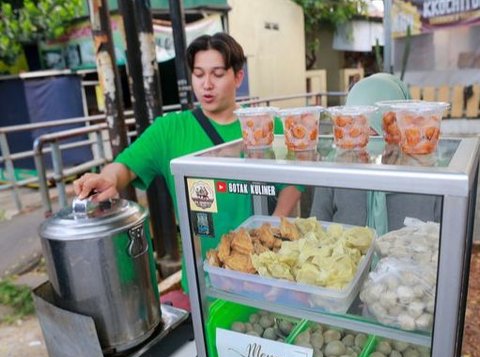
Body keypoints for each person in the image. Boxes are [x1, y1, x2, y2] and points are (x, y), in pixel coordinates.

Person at [73, 32, 301, 292]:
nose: (206, 85)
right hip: (203, 280)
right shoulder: (170, 130)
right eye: (199, 74)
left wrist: (273, 223)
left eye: (217, 74)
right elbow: (124, 166)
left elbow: (295, 179)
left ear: (238, 77)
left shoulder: (265, 126)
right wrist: (108, 178)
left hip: (265, 277)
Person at [310, 73, 441, 235]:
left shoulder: (426, 175)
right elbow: (316, 230)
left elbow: (442, 242)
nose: (365, 136)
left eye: (374, 128)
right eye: (354, 124)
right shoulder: (334, 168)